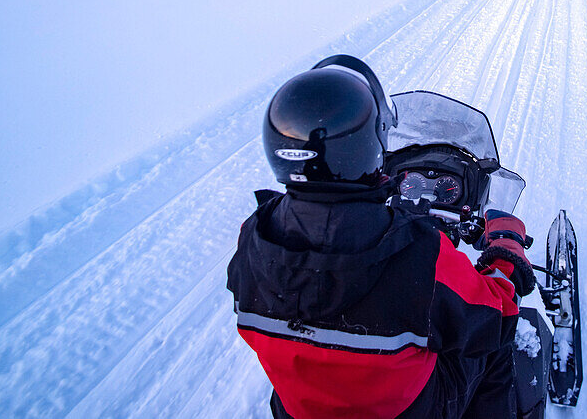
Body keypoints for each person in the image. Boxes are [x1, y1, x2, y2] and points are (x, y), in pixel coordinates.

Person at [227, 55, 536, 419]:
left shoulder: (253, 237)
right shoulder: (420, 253)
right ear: (369, 145)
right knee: (492, 342)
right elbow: (494, 313)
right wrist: (506, 253)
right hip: (410, 410)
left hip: (300, 409)